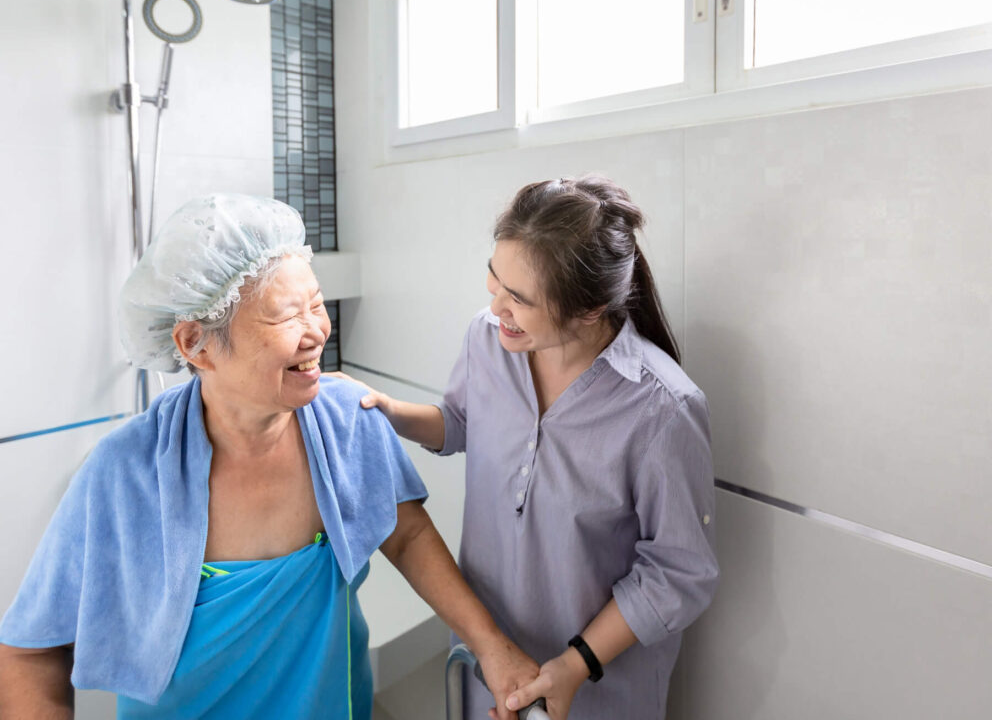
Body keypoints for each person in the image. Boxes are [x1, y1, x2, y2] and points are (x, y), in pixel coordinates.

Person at [0, 194, 537, 719]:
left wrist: (490, 645)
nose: (317, 332)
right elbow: (30, 651)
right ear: (195, 344)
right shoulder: (125, 471)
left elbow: (408, 533)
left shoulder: (347, 416)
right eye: (286, 316)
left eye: (316, 304)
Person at [341, 176, 719, 719]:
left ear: (589, 311)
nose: (496, 308)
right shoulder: (488, 338)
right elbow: (461, 420)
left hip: (594, 689)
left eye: (518, 300)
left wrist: (573, 664)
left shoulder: (662, 409)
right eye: (493, 282)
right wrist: (386, 410)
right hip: (485, 659)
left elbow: (679, 572)